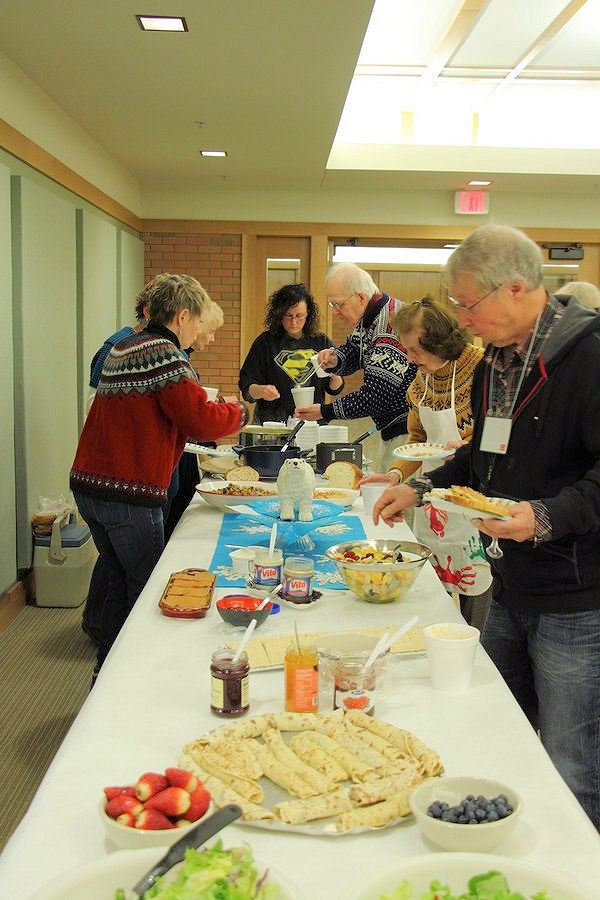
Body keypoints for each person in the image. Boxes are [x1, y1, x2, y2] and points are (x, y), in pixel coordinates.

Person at [372, 224, 600, 829]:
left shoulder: (591, 355)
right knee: (491, 725)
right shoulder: (494, 362)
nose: (463, 320)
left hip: (576, 598)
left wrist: (545, 516)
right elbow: (480, 459)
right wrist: (418, 484)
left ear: (517, 288)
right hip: (512, 583)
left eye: (467, 305)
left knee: (572, 761)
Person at [70, 274, 247, 682]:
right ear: (183, 316)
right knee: (147, 593)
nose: (200, 332)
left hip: (90, 485)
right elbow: (199, 421)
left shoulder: (124, 346)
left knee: (117, 579)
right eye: (199, 322)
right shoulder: (166, 354)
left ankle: (106, 676)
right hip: (128, 494)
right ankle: (134, 682)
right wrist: (239, 413)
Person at [360, 296, 491, 629]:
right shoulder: (421, 382)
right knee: (436, 597)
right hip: (431, 501)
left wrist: (467, 446)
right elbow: (417, 443)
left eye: (414, 350)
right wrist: (393, 475)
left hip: (475, 500)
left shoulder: (481, 369)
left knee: (477, 599)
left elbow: (500, 437)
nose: (408, 357)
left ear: (440, 342)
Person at [294, 263, 417, 472]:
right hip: (394, 426)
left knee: (394, 497)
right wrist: (336, 359)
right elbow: (354, 347)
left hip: (408, 430)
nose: (336, 313)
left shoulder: (388, 325)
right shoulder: (371, 315)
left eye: (338, 305)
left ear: (360, 297)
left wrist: (325, 411)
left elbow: (375, 396)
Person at [81, 287, 151, 643]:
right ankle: (98, 624)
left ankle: (97, 624)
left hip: (109, 467)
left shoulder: (141, 345)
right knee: (120, 564)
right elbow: (102, 404)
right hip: (111, 468)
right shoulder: (119, 346)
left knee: (114, 561)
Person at [163, 298, 227, 541]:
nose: (211, 338)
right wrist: (235, 411)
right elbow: (192, 417)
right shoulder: (174, 359)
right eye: (209, 330)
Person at [238, 283, 344, 424]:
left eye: (299, 316)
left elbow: (334, 389)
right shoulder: (265, 342)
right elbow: (246, 384)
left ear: (308, 314)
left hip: (312, 423)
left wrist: (335, 377)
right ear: (279, 315)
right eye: (288, 316)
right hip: (272, 423)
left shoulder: (321, 341)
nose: (293, 322)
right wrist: (261, 390)